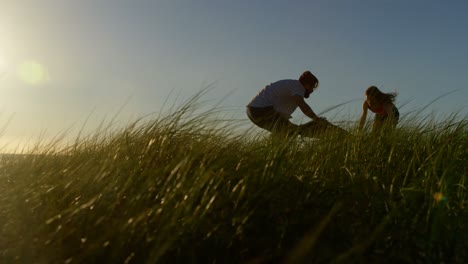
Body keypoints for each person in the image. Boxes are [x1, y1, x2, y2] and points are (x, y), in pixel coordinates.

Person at [246, 71, 326, 136]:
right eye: (312, 87)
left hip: (252, 110)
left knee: (285, 132)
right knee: (291, 132)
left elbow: (281, 116)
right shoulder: (299, 87)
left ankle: (272, 153)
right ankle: (320, 129)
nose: (312, 91)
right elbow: (302, 105)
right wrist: (317, 120)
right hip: (260, 109)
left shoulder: (292, 86)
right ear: (308, 85)